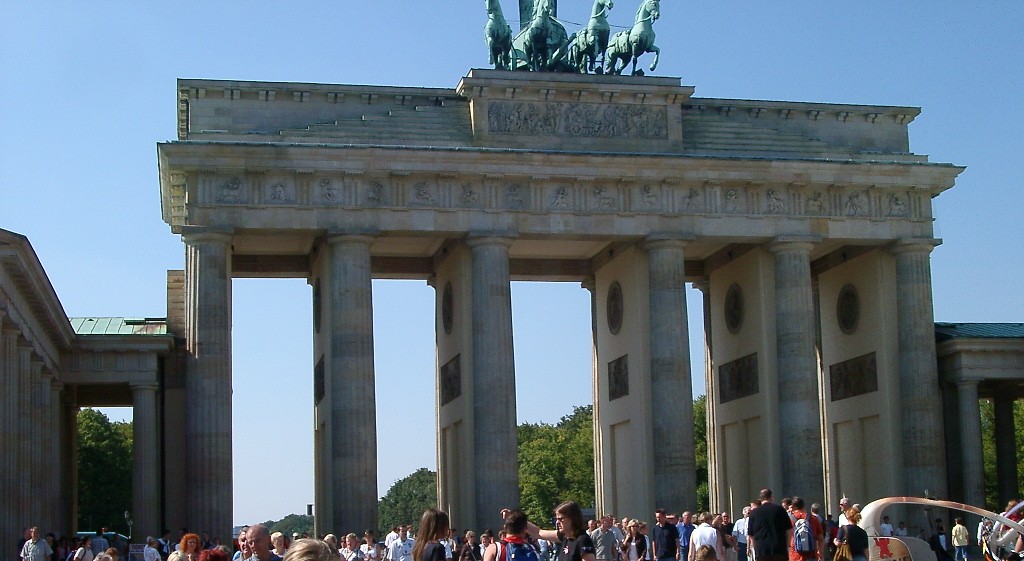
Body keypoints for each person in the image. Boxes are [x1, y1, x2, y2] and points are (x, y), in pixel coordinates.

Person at [504, 501, 596, 561]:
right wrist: (515, 518)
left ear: (572, 518)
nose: (557, 522)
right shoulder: (565, 537)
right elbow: (538, 533)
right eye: (557, 519)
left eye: (561, 519)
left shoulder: (582, 540)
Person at [746, 489, 792, 561]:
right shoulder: (780, 510)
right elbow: (789, 530)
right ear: (771, 497)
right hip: (779, 549)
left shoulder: (754, 513)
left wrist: (756, 548)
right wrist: (787, 546)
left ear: (761, 499)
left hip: (761, 550)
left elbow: (751, 535)